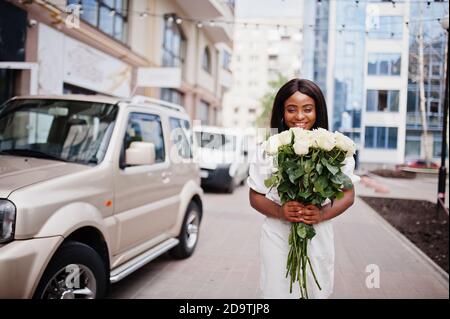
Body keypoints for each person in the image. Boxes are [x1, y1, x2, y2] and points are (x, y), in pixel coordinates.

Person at [247, 78, 359, 299]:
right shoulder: (268, 150)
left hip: (317, 232)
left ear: (318, 112)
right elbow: (255, 196)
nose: (299, 116)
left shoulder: (335, 152)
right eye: (291, 109)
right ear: (282, 112)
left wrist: (322, 213)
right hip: (277, 234)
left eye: (307, 109)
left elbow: (349, 195)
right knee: (277, 291)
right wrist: (280, 211)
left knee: (315, 291)